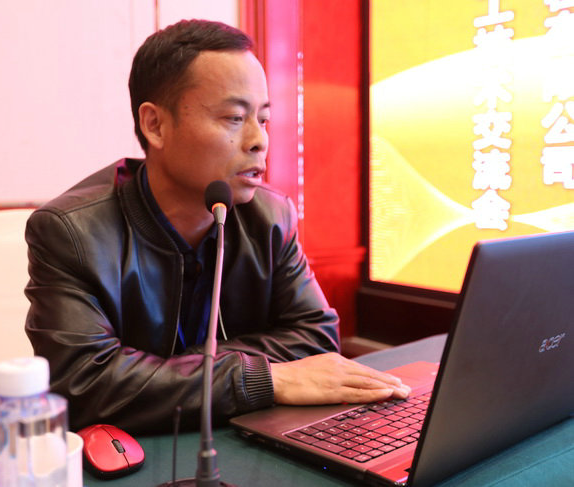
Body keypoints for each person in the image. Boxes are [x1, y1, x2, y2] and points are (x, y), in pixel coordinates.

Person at [24, 19, 410, 435]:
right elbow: (83, 383)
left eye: (263, 118)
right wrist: (260, 378)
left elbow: (315, 337)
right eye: (234, 117)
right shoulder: (72, 232)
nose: (259, 140)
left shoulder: (269, 216)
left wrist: (170, 372)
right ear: (155, 125)